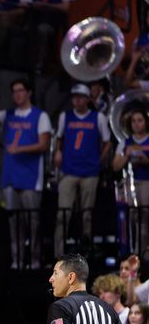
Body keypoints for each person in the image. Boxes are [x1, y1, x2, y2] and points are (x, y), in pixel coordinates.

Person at [0, 76, 51, 269]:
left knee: (33, 222)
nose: (17, 94)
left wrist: (19, 149)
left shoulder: (40, 116)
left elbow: (44, 143)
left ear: (29, 93)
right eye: (14, 91)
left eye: (21, 90)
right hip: (11, 176)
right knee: (14, 222)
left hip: (31, 177)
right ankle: (17, 260)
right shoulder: (8, 114)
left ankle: (35, 260)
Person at [53, 83, 110, 258]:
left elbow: (107, 141)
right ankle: (58, 253)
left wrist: (99, 160)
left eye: (80, 97)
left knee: (87, 214)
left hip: (90, 171)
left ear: (87, 99)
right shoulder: (66, 117)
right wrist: (58, 152)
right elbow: (59, 138)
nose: (76, 100)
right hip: (69, 169)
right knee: (63, 213)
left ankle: (86, 250)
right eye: (74, 97)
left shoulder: (97, 117)